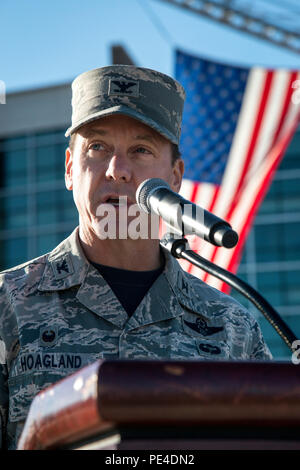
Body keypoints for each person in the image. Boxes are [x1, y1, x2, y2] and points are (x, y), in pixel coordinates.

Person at [0, 65, 272, 450]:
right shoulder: (7, 303)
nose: (118, 170)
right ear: (69, 169)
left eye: (141, 150)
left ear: (175, 177)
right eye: (97, 147)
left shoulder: (232, 328)